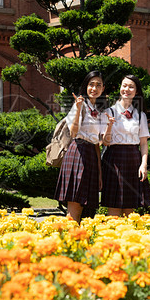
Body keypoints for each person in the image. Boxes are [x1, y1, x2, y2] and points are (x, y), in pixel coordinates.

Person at [55, 71, 113, 222]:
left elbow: (101, 143)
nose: (94, 88)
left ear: (103, 88)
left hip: (92, 155)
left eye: (98, 85)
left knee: (88, 206)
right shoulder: (79, 105)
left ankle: (81, 242)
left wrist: (110, 125)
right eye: (91, 84)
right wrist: (79, 109)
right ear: (86, 87)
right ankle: (68, 242)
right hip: (77, 152)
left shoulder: (100, 112)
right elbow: (73, 133)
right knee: (75, 205)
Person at [101, 75, 150, 216]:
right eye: (124, 85)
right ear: (120, 88)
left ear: (136, 92)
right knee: (114, 205)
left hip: (133, 160)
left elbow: (144, 143)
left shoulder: (140, 115)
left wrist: (144, 164)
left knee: (130, 207)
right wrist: (109, 125)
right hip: (114, 158)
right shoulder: (109, 112)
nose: (127, 89)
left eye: (131, 87)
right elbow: (105, 142)